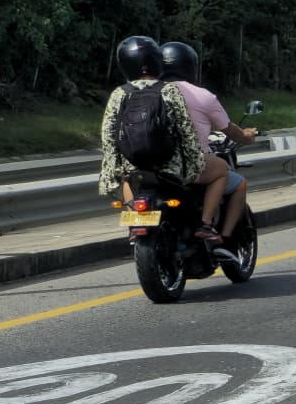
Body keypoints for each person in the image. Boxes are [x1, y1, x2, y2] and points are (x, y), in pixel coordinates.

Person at [95, 32, 238, 255]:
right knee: (220, 169)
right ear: (156, 60)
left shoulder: (118, 94)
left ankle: (135, 220)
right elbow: (185, 131)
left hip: (134, 166)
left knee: (126, 178)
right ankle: (205, 225)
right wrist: (194, 162)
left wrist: (112, 169)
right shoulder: (167, 90)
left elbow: (108, 135)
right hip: (170, 166)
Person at [156, 40, 253, 244]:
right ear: (190, 66)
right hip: (187, 164)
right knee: (229, 175)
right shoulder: (201, 95)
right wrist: (246, 137)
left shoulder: (145, 94)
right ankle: (212, 228)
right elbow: (229, 129)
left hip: (152, 163)